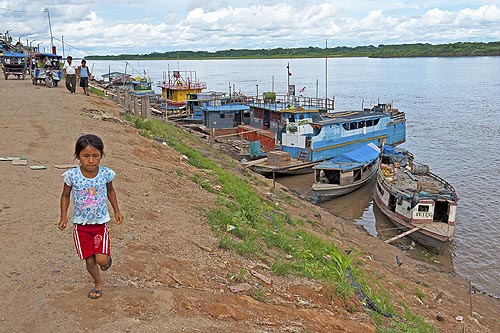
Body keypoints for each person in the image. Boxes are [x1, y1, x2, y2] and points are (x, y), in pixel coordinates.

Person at [58, 134, 124, 299]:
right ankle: (98, 284)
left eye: (95, 156)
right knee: (89, 261)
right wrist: (63, 216)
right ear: (78, 156)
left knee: (101, 260)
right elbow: (65, 196)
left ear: (101, 155)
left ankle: (106, 260)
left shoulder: (106, 174)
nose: (91, 160)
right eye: (85, 156)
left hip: (100, 223)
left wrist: (116, 210)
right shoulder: (72, 176)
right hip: (81, 225)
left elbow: (110, 191)